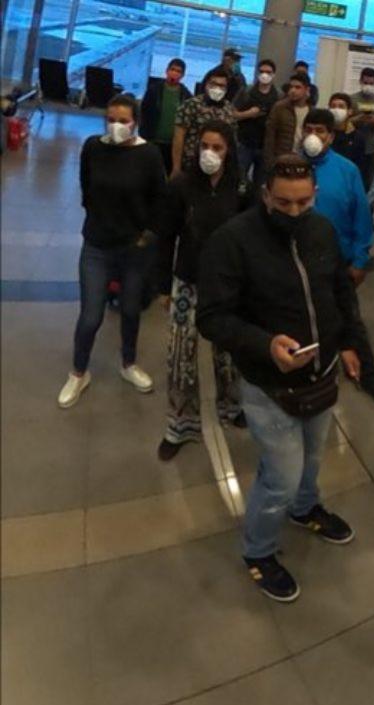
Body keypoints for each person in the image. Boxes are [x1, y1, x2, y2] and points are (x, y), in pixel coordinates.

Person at [197, 154, 365, 603]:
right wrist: (265, 344)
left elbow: (340, 292)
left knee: (312, 459)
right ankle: (258, 551)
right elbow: (212, 318)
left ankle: (305, 509)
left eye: (304, 203)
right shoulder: (232, 241)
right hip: (269, 384)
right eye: (284, 203)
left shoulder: (322, 230)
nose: (294, 213)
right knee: (281, 477)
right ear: (265, 194)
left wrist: (350, 343)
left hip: (322, 372)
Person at [152, 120, 253, 459]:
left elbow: (252, 236)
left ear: (229, 151)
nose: (210, 153)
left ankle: (232, 407)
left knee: (229, 352)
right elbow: (166, 236)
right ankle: (179, 426)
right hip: (188, 279)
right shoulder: (181, 185)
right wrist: (164, 285)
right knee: (181, 354)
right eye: (205, 146)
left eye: (218, 148)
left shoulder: (240, 187)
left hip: (228, 285)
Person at [59, 94, 166, 409]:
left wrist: (146, 236)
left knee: (131, 310)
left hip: (134, 249)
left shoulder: (149, 154)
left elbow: (160, 199)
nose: (116, 126)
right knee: (91, 316)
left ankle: (128, 364)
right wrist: (97, 219)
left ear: (136, 122)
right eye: (111, 119)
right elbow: (86, 186)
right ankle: (78, 372)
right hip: (96, 246)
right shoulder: (93, 147)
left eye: (124, 120)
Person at [299, 109, 374, 406]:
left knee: (349, 317)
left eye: (321, 131)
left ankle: (368, 374)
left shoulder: (347, 170)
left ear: (332, 135)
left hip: (337, 259)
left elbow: (361, 218)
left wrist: (359, 258)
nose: (314, 136)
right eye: (309, 129)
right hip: (294, 259)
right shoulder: (288, 166)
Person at [172, 67, 236, 177]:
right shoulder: (191, 105)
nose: (217, 88)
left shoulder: (229, 109)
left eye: (221, 86)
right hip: (191, 165)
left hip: (218, 168)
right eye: (213, 84)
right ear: (206, 84)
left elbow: (232, 140)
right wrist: (176, 168)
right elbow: (179, 137)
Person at [139, 58, 191, 176]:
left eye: (178, 71)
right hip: (153, 141)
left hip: (173, 146)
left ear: (182, 75)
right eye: (172, 69)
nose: (175, 73)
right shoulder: (153, 90)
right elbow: (144, 112)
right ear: (167, 71)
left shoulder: (186, 95)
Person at [233, 59, 280, 184]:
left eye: (268, 72)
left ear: (273, 75)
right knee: (239, 179)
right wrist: (248, 114)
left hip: (266, 147)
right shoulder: (246, 92)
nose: (265, 75)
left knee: (261, 183)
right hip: (245, 143)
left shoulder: (278, 97)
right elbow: (231, 114)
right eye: (262, 71)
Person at [348, 67, 374, 193]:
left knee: (367, 182)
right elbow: (345, 122)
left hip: (371, 148)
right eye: (366, 83)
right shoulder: (351, 99)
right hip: (352, 146)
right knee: (350, 180)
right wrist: (358, 118)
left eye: (371, 83)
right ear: (360, 81)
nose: (368, 86)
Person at [263, 73, 311, 170]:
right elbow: (270, 136)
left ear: (306, 90)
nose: (293, 90)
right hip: (282, 158)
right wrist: (270, 162)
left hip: (303, 159)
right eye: (291, 87)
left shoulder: (311, 111)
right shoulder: (279, 107)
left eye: (298, 87)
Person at [326, 92, 370, 182]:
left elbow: (360, 169)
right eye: (333, 106)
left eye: (341, 106)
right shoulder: (323, 133)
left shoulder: (357, 137)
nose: (336, 110)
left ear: (350, 111)